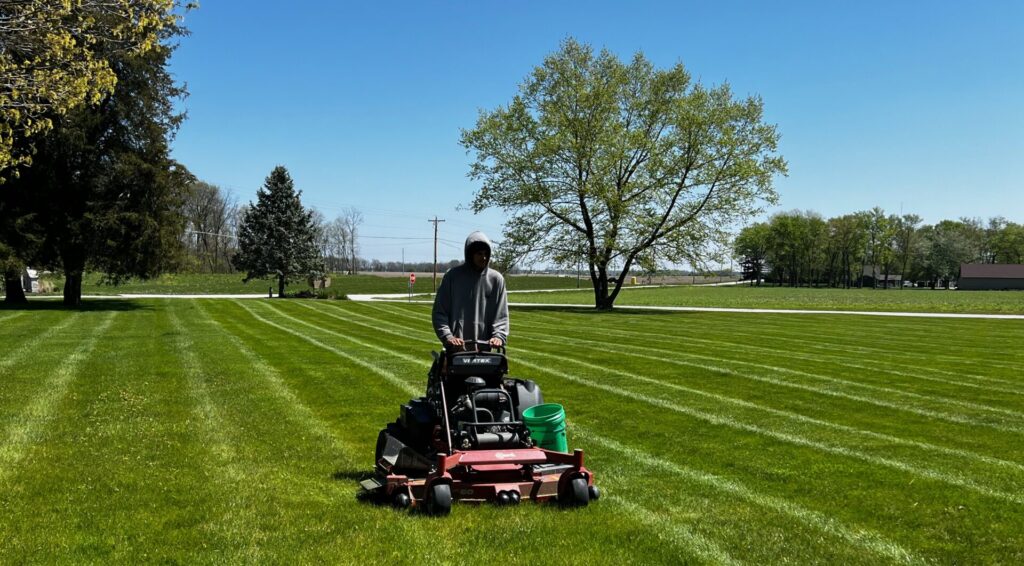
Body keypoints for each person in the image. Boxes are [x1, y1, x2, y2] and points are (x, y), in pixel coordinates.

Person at [432, 231, 509, 350]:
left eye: (485, 254)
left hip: (485, 349)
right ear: (470, 254)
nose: (483, 258)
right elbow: (440, 312)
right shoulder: (452, 277)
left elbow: (501, 315)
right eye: (479, 254)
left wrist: (498, 336)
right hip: (456, 348)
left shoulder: (496, 280)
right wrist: (448, 337)